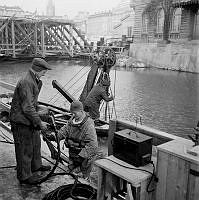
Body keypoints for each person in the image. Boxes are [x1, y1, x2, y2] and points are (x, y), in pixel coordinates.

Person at [10, 58, 52, 185]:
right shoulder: (27, 82)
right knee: (24, 148)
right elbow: (27, 108)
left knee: (35, 143)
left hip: (28, 120)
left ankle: (36, 166)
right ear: (39, 70)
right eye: (44, 70)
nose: (45, 73)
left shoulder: (35, 80)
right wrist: (40, 122)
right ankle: (24, 176)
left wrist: (42, 109)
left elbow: (32, 103)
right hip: (21, 122)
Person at [50, 100, 98, 179]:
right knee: (71, 175)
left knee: (82, 178)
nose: (73, 115)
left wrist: (80, 158)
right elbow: (65, 130)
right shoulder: (72, 120)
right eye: (72, 113)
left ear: (81, 111)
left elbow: (93, 147)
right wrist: (55, 137)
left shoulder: (88, 126)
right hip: (73, 154)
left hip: (84, 159)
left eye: (75, 113)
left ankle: (85, 179)